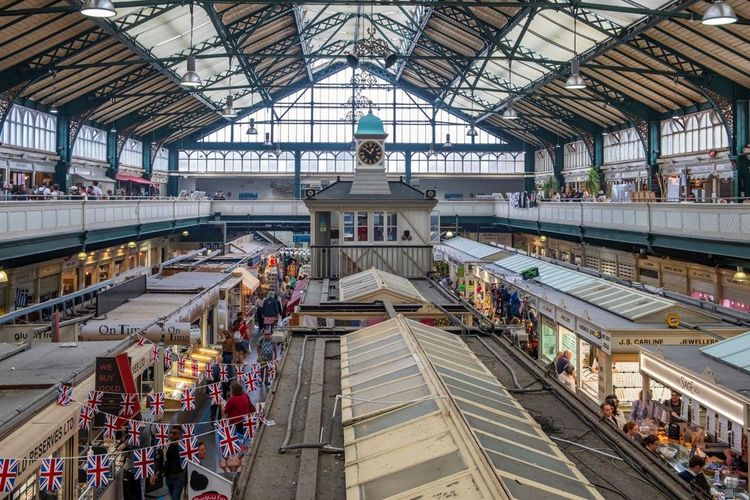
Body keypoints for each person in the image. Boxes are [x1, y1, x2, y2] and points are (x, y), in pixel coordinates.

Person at [164, 426, 186, 500]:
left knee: (175, 498)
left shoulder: (183, 446)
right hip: (169, 477)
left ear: (179, 434)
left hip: (179, 477)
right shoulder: (168, 445)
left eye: (174, 433)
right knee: (172, 496)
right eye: (170, 432)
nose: (171, 435)